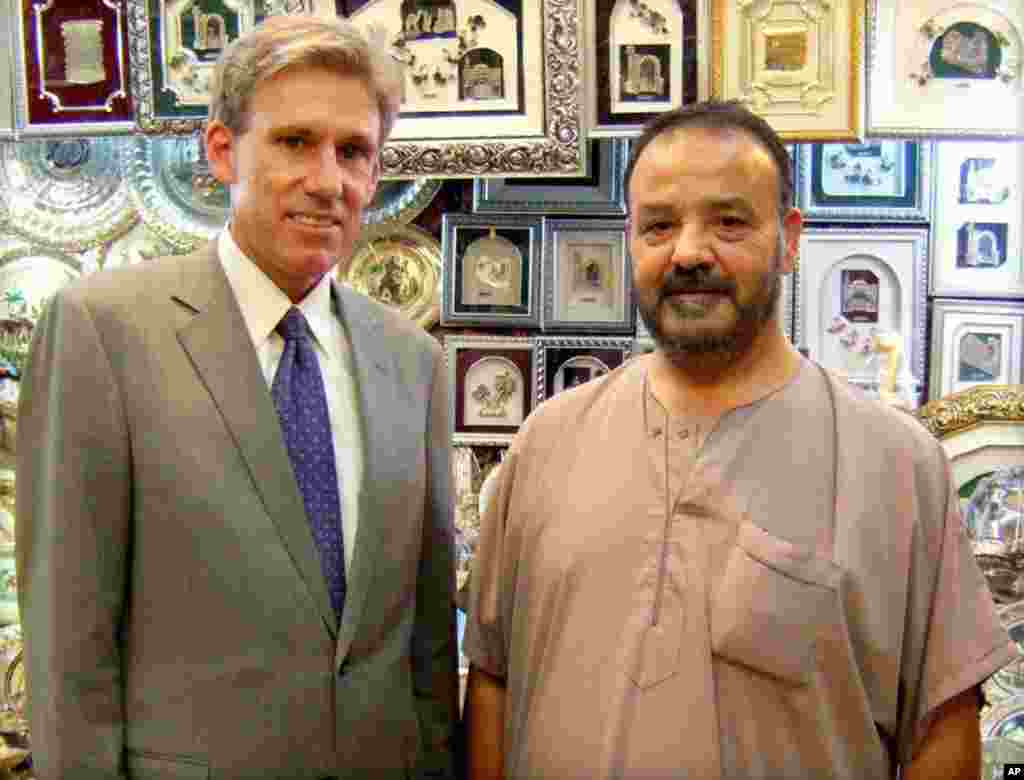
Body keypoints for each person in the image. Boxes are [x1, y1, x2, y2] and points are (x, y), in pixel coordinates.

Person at [462, 100, 1017, 779]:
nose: (690, 252)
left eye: (729, 222)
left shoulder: (896, 465)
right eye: (659, 225)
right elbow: (491, 678)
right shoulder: (547, 443)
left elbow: (944, 727)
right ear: (630, 239)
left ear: (789, 238)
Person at [16, 14, 458, 779]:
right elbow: (69, 640)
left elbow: (422, 646)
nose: (328, 180)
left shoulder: (411, 360)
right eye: (294, 142)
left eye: (353, 152)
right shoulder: (104, 330)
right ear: (222, 151)